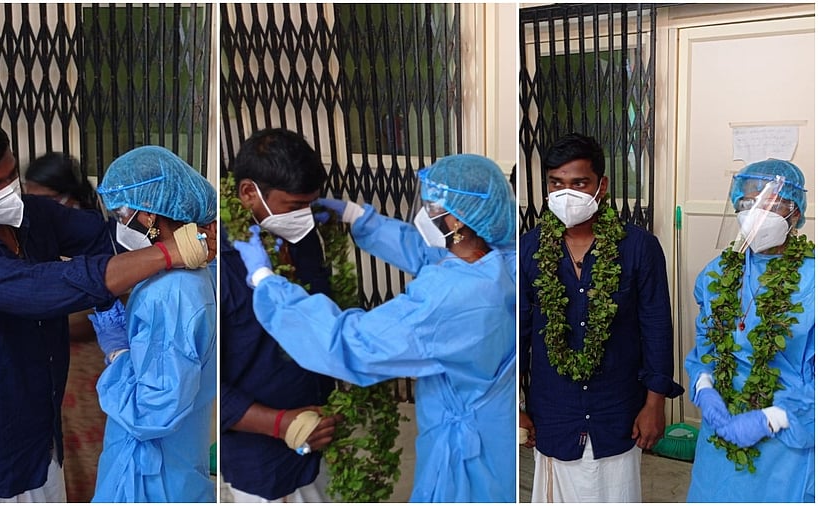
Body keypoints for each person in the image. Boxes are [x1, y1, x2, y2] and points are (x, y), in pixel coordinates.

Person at [0, 104, 215, 502]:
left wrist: (178, 228)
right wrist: (167, 254)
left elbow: (104, 236)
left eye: (10, 178)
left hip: (46, 427)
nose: (6, 193)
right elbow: (35, 288)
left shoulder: (31, 216)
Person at [233, 153, 518, 502]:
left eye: (430, 207)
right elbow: (428, 254)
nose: (423, 214)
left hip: (465, 451)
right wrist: (358, 218)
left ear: (456, 221)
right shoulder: (500, 260)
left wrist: (267, 283)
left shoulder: (451, 298)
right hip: (493, 431)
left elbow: (352, 345)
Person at [518, 132, 683, 502]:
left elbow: (656, 327)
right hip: (553, 409)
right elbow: (518, 333)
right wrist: (517, 406)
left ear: (601, 186)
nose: (567, 193)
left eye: (579, 183)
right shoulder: (529, 248)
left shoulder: (639, 246)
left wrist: (655, 404)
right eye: (556, 183)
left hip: (618, 409)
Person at [89, 145, 218, 502]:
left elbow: (153, 411)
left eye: (122, 212)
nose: (119, 222)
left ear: (148, 216)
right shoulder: (198, 270)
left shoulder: (171, 293)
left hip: (150, 475)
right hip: (177, 461)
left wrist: (118, 354)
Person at [220, 128, 343, 502]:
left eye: (310, 205)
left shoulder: (304, 240)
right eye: (293, 207)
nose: (303, 217)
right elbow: (204, 384)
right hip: (261, 467)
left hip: (321, 444)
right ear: (248, 193)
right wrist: (280, 424)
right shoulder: (219, 268)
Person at [684, 159, 814, 502]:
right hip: (721, 433)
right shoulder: (718, 274)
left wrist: (772, 417)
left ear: (796, 213)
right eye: (747, 203)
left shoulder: (812, 282)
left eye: (769, 204)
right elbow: (704, 350)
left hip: (785, 443)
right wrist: (705, 385)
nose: (755, 213)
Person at [23, 152, 110, 502]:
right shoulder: (32, 235)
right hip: (54, 367)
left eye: (42, 200)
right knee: (64, 454)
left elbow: (112, 295)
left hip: (91, 365)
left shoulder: (93, 236)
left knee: (94, 452)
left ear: (67, 197)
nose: (33, 207)